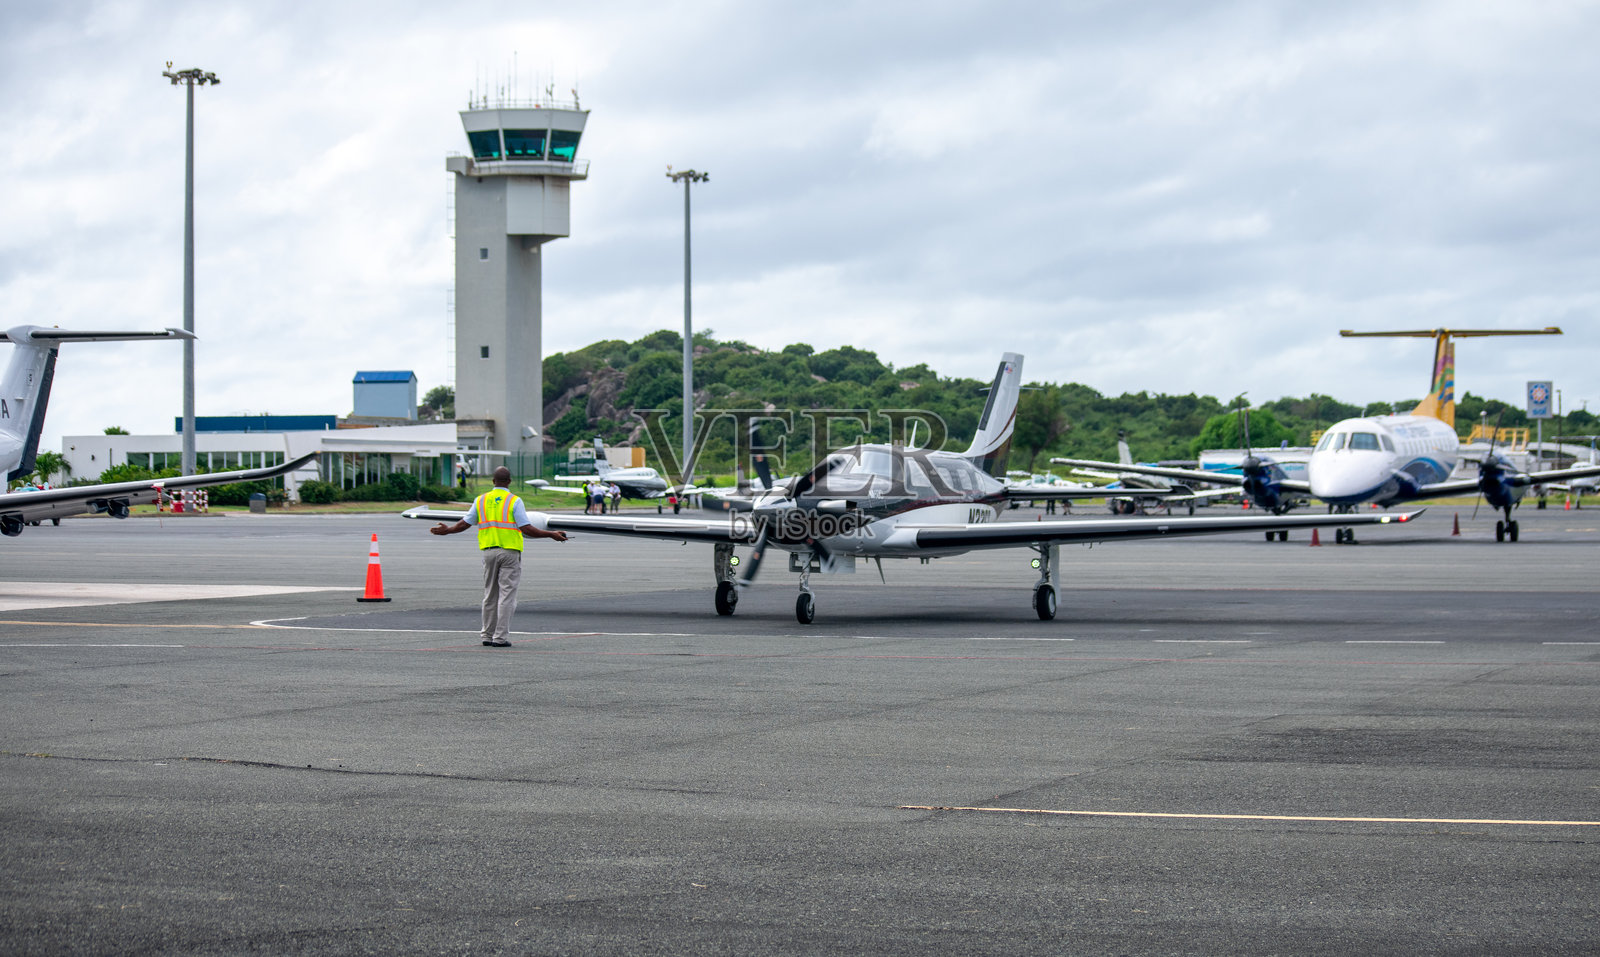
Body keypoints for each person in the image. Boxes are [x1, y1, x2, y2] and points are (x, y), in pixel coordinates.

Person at [429, 466, 568, 646]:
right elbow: (526, 528)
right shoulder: (514, 501)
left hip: (488, 552)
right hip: (509, 552)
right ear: (509, 482)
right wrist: (550, 534)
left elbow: (464, 524)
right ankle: (500, 637)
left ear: (493, 482)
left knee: (490, 595)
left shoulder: (481, 500)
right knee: (506, 595)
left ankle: (486, 635)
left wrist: (447, 531)